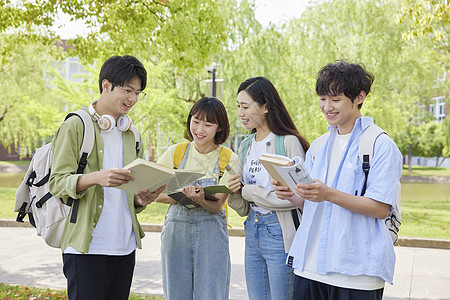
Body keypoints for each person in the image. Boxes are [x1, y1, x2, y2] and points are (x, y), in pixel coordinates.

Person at [274, 60, 403, 300]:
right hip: (309, 267)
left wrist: (328, 194)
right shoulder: (318, 145)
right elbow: (311, 203)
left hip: (356, 272)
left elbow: (380, 208)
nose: (327, 107)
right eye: (322, 98)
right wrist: (291, 194)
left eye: (335, 99)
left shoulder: (380, 144)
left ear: (359, 97)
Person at [49, 55, 165, 300]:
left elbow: (129, 195)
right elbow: (57, 182)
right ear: (106, 85)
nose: (133, 99)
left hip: (124, 247)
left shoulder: (132, 134)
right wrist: (96, 178)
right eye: (127, 90)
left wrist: (142, 200)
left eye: (138, 93)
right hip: (86, 247)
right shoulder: (76, 126)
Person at [227, 77, 309, 300]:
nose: (240, 113)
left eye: (245, 106)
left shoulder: (288, 142)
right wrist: (233, 191)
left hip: (280, 231)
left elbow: (300, 195)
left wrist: (248, 191)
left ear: (265, 107)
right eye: (238, 107)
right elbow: (244, 207)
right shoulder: (245, 146)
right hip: (252, 228)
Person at [155, 97, 238, 300]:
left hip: (211, 232)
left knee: (212, 294)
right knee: (175, 294)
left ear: (219, 128)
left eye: (208, 125)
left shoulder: (228, 159)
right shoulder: (175, 152)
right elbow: (155, 193)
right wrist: (181, 197)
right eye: (196, 121)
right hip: (176, 231)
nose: (200, 129)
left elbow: (217, 205)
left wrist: (200, 200)